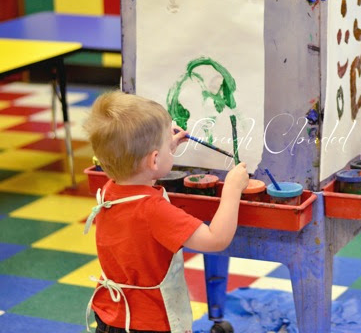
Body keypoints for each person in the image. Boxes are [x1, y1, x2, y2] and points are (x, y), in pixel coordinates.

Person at [82, 91, 249, 333]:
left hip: (111, 316)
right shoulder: (153, 210)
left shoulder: (110, 189)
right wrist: (232, 189)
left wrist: (164, 148)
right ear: (154, 160)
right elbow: (215, 240)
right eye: (167, 149)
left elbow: (138, 169)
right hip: (148, 324)